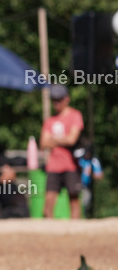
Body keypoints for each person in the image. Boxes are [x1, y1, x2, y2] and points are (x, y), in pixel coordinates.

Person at [40, 84, 83, 219]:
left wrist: (52, 139)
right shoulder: (50, 121)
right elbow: (43, 143)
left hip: (71, 165)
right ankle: (51, 231)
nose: (56, 103)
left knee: (74, 202)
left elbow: (72, 140)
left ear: (67, 99)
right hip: (53, 166)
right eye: (54, 99)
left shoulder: (75, 115)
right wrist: (64, 139)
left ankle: (76, 230)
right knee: (47, 206)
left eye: (59, 99)